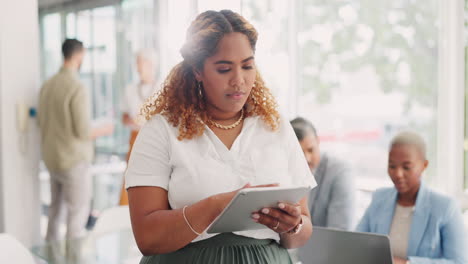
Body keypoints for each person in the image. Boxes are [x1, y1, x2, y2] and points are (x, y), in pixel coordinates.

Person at [125, 10, 316, 263]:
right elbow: (147, 238)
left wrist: (292, 226)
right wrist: (216, 206)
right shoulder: (161, 130)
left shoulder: (275, 126)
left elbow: (303, 231)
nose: (239, 80)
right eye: (224, 69)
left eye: (247, 66)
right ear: (197, 71)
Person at [38, 38, 114, 241]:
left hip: (52, 159)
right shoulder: (76, 87)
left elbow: (41, 122)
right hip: (73, 162)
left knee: (54, 213)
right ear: (79, 55)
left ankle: (50, 258)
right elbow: (82, 131)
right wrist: (105, 129)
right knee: (76, 216)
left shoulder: (47, 85)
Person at [356, 131, 466, 264]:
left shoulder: (446, 208)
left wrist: (406, 263)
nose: (398, 174)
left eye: (406, 167)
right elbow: (357, 244)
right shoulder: (379, 198)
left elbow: (459, 261)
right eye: (392, 166)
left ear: (424, 165)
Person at [290, 117, 355, 231]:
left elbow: (339, 231)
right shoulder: (282, 171)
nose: (307, 158)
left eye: (311, 150)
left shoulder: (340, 171)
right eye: (299, 153)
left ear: (318, 141)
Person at [119, 48, 159, 205]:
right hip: (135, 142)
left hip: (156, 143)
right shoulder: (129, 89)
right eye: (136, 65)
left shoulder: (164, 88)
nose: (138, 69)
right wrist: (132, 121)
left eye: (140, 64)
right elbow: (123, 117)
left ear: (151, 65)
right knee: (131, 183)